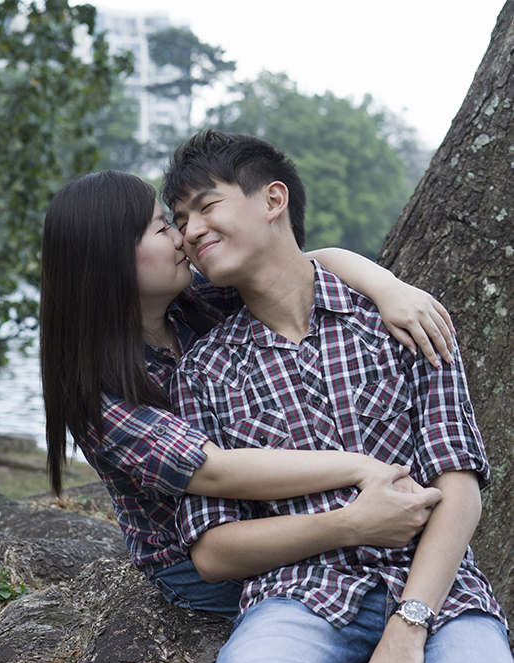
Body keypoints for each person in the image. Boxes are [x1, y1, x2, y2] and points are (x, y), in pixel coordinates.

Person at [165, 131, 514, 663]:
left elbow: (461, 487)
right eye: (179, 220)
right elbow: (213, 548)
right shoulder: (206, 369)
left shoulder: (402, 319)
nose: (190, 230)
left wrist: (408, 628)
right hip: (300, 595)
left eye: (206, 206)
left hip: (438, 594)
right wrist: (352, 524)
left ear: (273, 200)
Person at [39, 170, 451, 621]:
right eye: (161, 228)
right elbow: (213, 471)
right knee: (344, 607)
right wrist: (360, 468)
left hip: (278, 516)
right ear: (109, 258)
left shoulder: (198, 302)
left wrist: (388, 288)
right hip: (203, 561)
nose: (181, 238)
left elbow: (303, 266)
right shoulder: (94, 392)